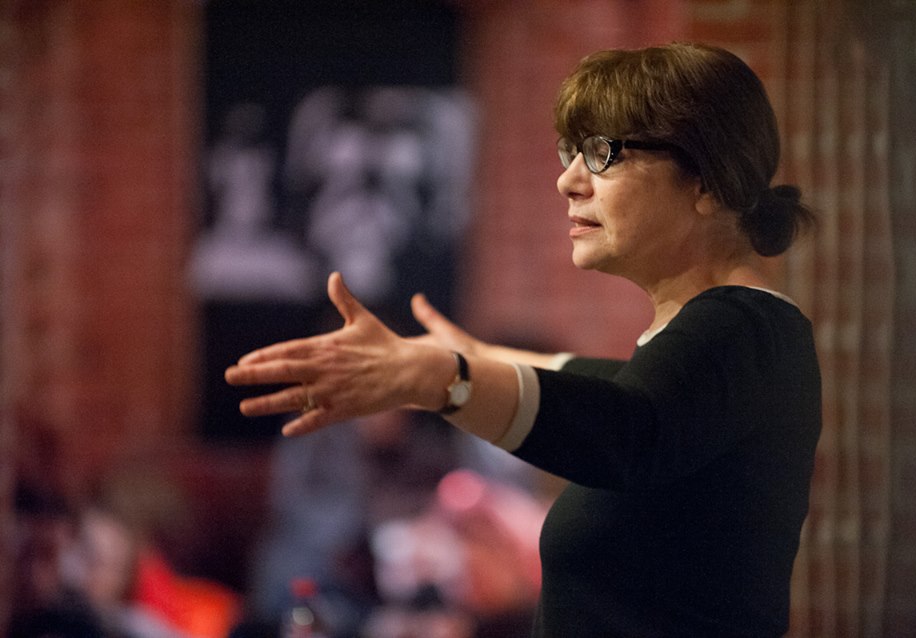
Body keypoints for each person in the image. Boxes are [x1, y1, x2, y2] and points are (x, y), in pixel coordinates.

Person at [226, 42, 822, 637]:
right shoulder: (714, 337)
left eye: (603, 153)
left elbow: (625, 428)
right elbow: (600, 383)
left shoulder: (745, 328)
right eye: (570, 153)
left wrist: (438, 380)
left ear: (708, 181)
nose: (568, 180)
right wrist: (468, 357)